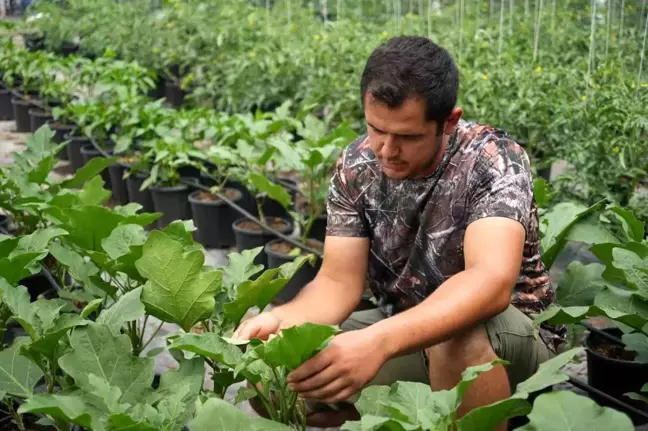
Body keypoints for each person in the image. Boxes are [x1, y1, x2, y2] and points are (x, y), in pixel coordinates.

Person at [234, 36, 564, 430]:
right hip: (407, 330)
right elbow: (338, 281)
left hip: (511, 341)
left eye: (407, 137)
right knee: (272, 378)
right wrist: (283, 321)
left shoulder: (492, 159)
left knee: (453, 339)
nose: (386, 150)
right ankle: (400, 416)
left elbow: (490, 282)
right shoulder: (356, 166)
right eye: (376, 129)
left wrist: (378, 342)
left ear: (449, 121)